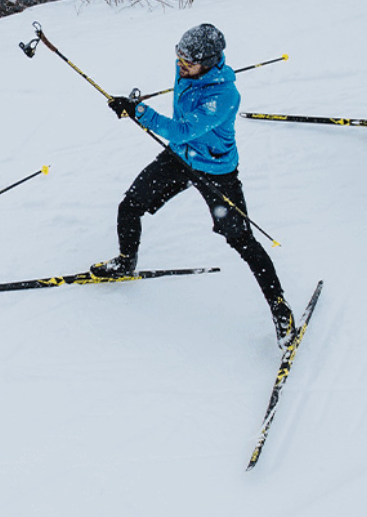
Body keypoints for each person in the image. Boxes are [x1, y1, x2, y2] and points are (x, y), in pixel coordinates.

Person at [97, 24, 296, 349]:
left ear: (209, 61)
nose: (180, 66)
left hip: (215, 170)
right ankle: (125, 260)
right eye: (178, 58)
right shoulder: (189, 71)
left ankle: (280, 308)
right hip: (179, 158)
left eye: (187, 62)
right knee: (129, 205)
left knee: (241, 240)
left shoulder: (225, 97)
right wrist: (134, 105)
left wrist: (139, 112)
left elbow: (180, 130)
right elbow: (180, 129)